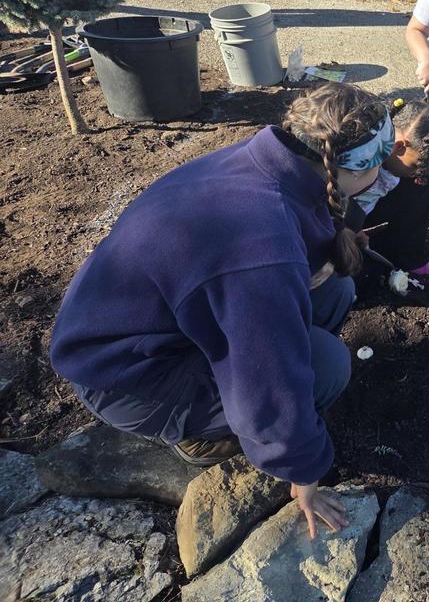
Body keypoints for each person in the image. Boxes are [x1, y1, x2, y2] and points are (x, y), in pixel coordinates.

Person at [50, 83, 394, 539]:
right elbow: (267, 386)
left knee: (334, 291)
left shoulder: (266, 161)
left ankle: (261, 378)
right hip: (124, 375)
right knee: (327, 366)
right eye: (380, 164)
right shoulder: (261, 251)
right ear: (350, 169)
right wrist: (304, 470)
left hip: (143, 323)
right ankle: (198, 437)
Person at [345, 98, 429, 279]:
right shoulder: (360, 151)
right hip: (341, 213)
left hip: (376, 203)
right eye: (415, 166)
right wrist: (351, 227)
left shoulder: (419, 153)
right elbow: (335, 196)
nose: (419, 172)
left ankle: (404, 251)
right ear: (398, 147)